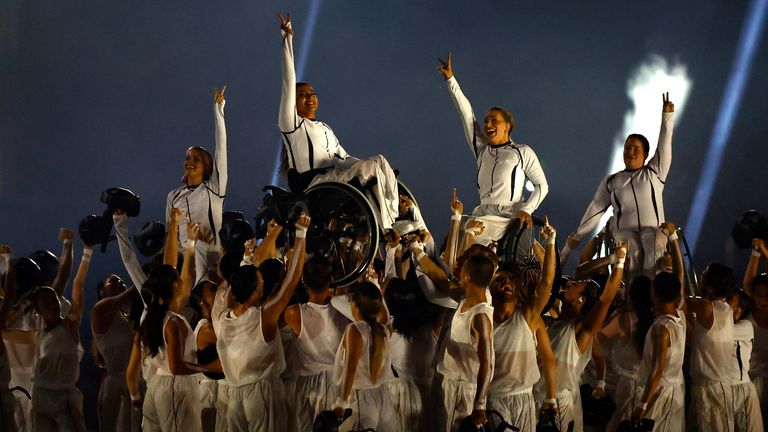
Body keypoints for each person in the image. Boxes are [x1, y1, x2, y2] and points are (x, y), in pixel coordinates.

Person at [277, 13, 400, 232]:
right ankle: (387, 225)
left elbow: (342, 159)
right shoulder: (292, 126)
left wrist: (372, 168)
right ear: (293, 104)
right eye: (303, 94)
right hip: (316, 186)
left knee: (379, 161)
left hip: (336, 177)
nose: (310, 96)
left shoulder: (325, 129)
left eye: (313, 93)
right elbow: (288, 81)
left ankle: (391, 215)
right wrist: (288, 40)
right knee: (371, 168)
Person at [436, 53, 549, 245]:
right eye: (486, 120)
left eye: (494, 120)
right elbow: (467, 114)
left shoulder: (522, 151)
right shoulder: (482, 150)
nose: (488, 124)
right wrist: (450, 80)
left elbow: (542, 186)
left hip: (508, 216)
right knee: (450, 243)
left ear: (507, 126)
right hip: (483, 212)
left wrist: (527, 209)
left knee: (467, 238)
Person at [562, 93, 676, 279]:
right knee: (629, 246)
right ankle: (631, 295)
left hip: (654, 232)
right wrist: (577, 236)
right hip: (625, 233)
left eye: (635, 149)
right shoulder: (611, 182)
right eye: (627, 148)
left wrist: (667, 116)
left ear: (646, 154)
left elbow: (665, 145)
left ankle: (651, 289)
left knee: (652, 239)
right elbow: (595, 208)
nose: (630, 152)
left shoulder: (655, 172)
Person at [215, 214, 309, 431]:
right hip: (262, 394)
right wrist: (301, 234)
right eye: (260, 283)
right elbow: (292, 279)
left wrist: (248, 260)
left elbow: (235, 285)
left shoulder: (223, 317)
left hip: (234, 396)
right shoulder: (263, 317)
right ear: (257, 291)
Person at [3, 235, 90, 431]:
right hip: (33, 386)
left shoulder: (43, 307)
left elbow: (68, 281)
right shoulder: (42, 307)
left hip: (32, 386)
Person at [544, 242, 625, 432]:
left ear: (580, 300)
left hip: (557, 402)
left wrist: (620, 261)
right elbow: (578, 271)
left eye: (575, 284)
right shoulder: (552, 318)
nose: (570, 282)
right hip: (535, 395)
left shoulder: (581, 329)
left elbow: (605, 300)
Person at [487, 222, 557, 430]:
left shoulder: (528, 315)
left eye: (510, 279)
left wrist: (551, 242)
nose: (505, 282)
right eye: (500, 279)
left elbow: (547, 282)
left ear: (516, 286)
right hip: (494, 399)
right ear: (492, 286)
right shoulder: (484, 318)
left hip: (524, 397)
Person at [140, 223, 204, 431]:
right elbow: (176, 366)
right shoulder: (172, 322)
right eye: (177, 281)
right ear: (171, 287)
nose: (182, 282)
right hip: (175, 387)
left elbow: (183, 274)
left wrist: (190, 243)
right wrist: (207, 368)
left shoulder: (152, 316)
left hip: (157, 385)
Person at [166, 86, 228, 285]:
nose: (190, 161)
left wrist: (218, 112)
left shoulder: (214, 189)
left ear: (207, 165)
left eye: (196, 159)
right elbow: (171, 235)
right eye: (187, 158)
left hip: (211, 257)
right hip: (185, 260)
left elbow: (221, 149)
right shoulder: (173, 196)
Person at [282, 255, 350, 431]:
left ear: (304, 281)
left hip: (307, 389)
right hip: (339, 385)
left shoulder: (293, 314)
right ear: (331, 279)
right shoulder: (347, 309)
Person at [435, 252, 496, 431]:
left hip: (461, 390)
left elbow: (487, 362)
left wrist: (479, 405)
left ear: (468, 277)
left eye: (461, 271)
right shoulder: (464, 301)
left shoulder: (480, 316)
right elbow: (439, 280)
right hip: (448, 383)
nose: (458, 274)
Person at [331, 282, 396, 432]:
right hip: (383, 397)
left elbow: (351, 367)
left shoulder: (355, 329)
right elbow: (385, 316)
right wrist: (376, 284)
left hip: (360, 401)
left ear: (354, 304)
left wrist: (341, 403)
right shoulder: (385, 331)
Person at [685, 262, 739, 431]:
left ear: (710, 287)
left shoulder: (706, 306)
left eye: (704, 274)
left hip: (713, 388)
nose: (700, 275)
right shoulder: (725, 309)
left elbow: (678, 301)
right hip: (704, 387)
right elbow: (695, 340)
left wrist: (669, 267)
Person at [631, 272, 686, 431]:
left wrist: (643, 403)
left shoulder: (662, 327)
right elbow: (679, 273)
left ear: (654, 293)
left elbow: (658, 369)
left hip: (661, 393)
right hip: (674, 390)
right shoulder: (680, 316)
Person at [600, 276, 654, 431]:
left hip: (629, 386)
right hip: (647, 386)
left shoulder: (625, 318)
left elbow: (598, 337)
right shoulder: (654, 318)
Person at [91, 271, 136, 432]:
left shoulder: (126, 316)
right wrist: (142, 278)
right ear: (101, 292)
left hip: (134, 383)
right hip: (115, 385)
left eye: (121, 281)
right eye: (112, 281)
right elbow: (134, 291)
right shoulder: (100, 310)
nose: (119, 283)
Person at [727, 289, 764, 431]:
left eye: (729, 300)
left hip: (740, 390)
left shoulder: (745, 326)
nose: (723, 303)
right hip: (722, 388)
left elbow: (715, 333)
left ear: (739, 310)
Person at [744, 239, 768, 422]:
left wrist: (764, 251)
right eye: (759, 295)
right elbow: (748, 284)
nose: (762, 300)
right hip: (748, 382)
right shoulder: (748, 312)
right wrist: (755, 253)